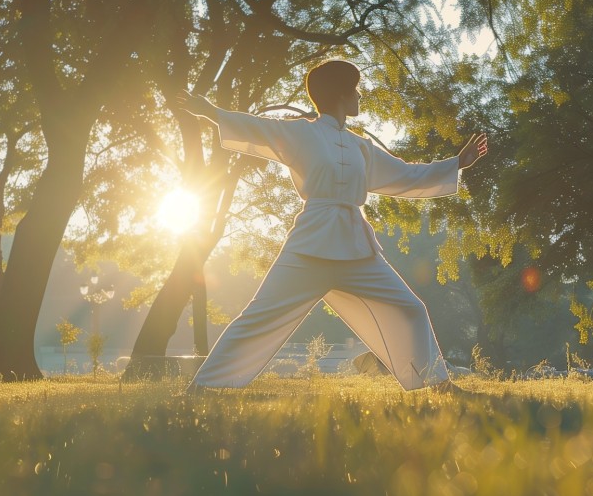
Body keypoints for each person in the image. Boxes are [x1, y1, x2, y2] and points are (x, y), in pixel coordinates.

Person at [176, 59, 487, 394]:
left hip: (357, 247)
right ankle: (205, 387)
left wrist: (457, 163)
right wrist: (210, 111)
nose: (358, 95)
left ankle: (437, 385)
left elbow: (405, 174)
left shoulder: (360, 146)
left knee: (410, 309)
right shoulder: (300, 132)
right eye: (353, 89)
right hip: (310, 244)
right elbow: (255, 127)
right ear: (340, 94)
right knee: (260, 316)